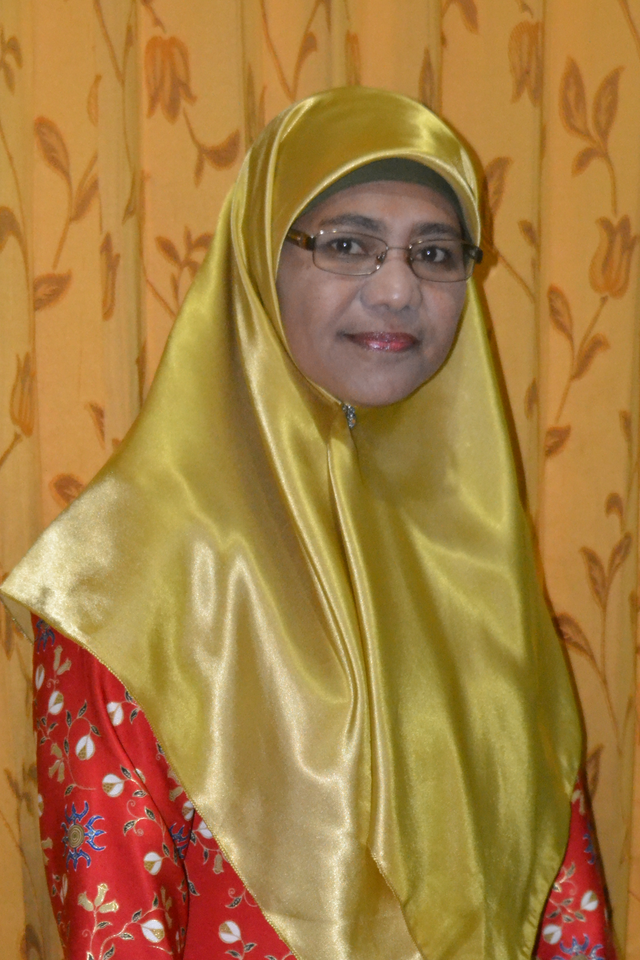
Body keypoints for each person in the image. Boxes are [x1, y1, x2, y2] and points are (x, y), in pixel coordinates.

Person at [2, 87, 615, 960]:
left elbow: (559, 890)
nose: (399, 288)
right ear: (259, 258)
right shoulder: (135, 572)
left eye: (435, 253)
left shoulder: (475, 560)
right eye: (349, 245)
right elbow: (117, 925)